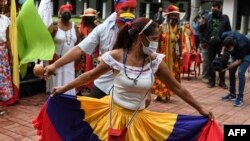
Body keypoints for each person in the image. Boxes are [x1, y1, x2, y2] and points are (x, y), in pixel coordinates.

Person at [33, 17, 214, 141]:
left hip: (140, 120)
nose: (156, 43)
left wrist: (201, 109)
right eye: (153, 39)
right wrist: (63, 89)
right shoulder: (117, 57)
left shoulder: (155, 62)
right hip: (111, 116)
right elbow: (90, 75)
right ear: (140, 37)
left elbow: (178, 88)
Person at [44, 0, 137, 98]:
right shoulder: (103, 28)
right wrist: (55, 65)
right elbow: (79, 49)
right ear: (116, 8)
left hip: (129, 85)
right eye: (124, 9)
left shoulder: (139, 30)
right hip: (103, 84)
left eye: (132, 10)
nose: (128, 13)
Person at [47, 4, 80, 96]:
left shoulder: (74, 26)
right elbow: (47, 43)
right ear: (60, 13)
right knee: (56, 82)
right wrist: (53, 32)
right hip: (57, 59)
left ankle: (68, 101)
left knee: (69, 81)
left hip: (70, 60)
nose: (67, 14)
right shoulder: (54, 25)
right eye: (64, 12)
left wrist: (77, 56)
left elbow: (78, 42)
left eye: (68, 12)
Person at [152, 5, 182, 101]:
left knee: (172, 75)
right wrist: (156, 54)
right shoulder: (163, 27)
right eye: (172, 15)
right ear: (168, 16)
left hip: (174, 57)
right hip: (163, 56)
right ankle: (159, 94)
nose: (174, 17)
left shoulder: (179, 29)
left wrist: (180, 55)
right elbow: (157, 40)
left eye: (176, 16)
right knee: (161, 74)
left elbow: (180, 42)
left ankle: (168, 94)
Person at [199, 2, 231, 88]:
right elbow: (201, 30)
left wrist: (227, 43)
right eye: (212, 7)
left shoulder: (225, 18)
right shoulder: (207, 17)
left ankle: (222, 81)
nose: (213, 9)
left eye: (215, 7)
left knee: (223, 62)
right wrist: (203, 41)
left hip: (222, 44)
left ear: (220, 8)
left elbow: (229, 31)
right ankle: (211, 81)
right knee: (210, 62)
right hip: (211, 43)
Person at [221, 31, 250, 107]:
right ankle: (232, 94)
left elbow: (239, 60)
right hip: (237, 52)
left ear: (233, 45)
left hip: (247, 53)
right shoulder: (224, 35)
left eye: (229, 48)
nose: (228, 49)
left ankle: (240, 97)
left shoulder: (242, 45)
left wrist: (227, 67)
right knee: (231, 71)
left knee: (241, 72)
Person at [75, 8, 99, 95]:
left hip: (95, 56)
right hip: (83, 56)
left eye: (91, 17)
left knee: (93, 73)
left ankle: (92, 91)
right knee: (82, 72)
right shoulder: (80, 29)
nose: (89, 19)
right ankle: (81, 91)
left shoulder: (99, 28)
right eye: (87, 17)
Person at [0, 14, 15, 115]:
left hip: (3, 52)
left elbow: (8, 39)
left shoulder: (5, 19)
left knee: (2, 80)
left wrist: (11, 54)